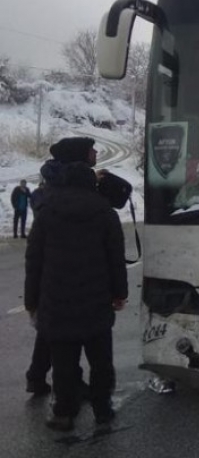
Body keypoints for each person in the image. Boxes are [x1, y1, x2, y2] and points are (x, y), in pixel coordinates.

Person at [24, 136, 128, 432]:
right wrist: (120, 294)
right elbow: (115, 259)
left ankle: (64, 412)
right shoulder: (105, 213)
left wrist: (32, 300)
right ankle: (103, 409)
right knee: (101, 361)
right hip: (96, 301)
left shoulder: (47, 213)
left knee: (64, 361)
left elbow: (34, 262)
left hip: (56, 302)